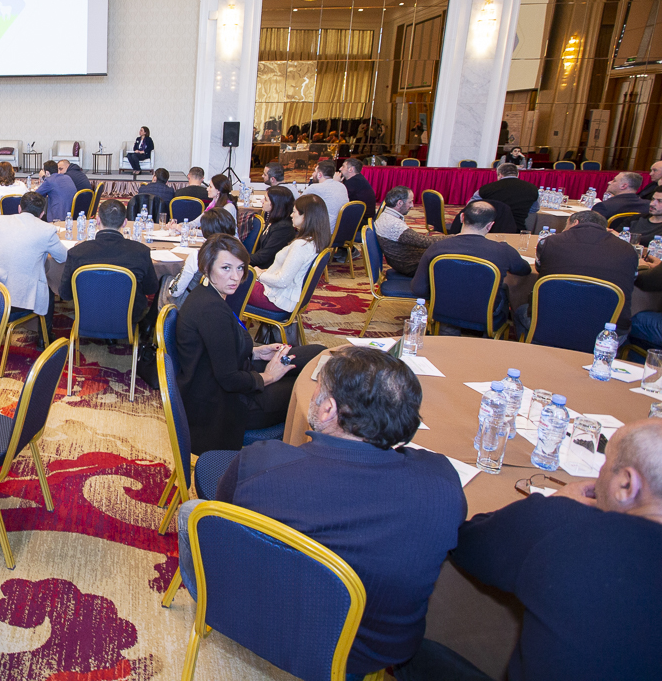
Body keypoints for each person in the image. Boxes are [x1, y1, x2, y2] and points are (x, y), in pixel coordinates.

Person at [179, 346, 465, 678]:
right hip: (363, 653)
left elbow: (225, 521)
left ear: (328, 409)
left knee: (193, 512)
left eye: (319, 389)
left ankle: (207, 600)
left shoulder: (260, 463)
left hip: (243, 615)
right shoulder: (442, 486)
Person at [398, 419, 662, 681]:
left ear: (626, 484)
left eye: (605, 465)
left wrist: (551, 507)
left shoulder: (568, 525)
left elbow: (468, 543)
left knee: (408, 650)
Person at [175, 234, 326, 453]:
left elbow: (217, 348)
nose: (235, 277)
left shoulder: (209, 294)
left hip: (226, 375)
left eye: (240, 268)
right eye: (226, 268)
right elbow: (229, 379)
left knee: (318, 354)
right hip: (225, 403)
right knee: (307, 386)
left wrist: (256, 352)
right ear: (207, 268)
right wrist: (269, 376)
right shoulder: (211, 311)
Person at [410, 201, 530, 329]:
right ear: (490, 225)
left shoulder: (437, 248)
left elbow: (418, 289)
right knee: (504, 291)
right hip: (486, 317)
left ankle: (448, 328)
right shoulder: (503, 250)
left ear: (462, 217)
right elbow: (525, 270)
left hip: (442, 313)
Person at [530, 209, 636, 337]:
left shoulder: (549, 242)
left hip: (548, 322)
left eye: (565, 226)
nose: (563, 231)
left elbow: (540, 268)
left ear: (575, 222)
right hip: (608, 331)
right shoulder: (628, 249)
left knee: (520, 312)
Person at [0, 191, 67, 322]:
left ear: (19, 208)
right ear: (42, 214)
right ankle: (44, 334)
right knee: (48, 288)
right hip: (20, 302)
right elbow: (63, 257)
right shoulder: (46, 230)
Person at [59, 200, 157, 321]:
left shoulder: (77, 252)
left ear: (98, 220)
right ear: (125, 222)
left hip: (88, 315)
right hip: (128, 316)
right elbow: (150, 289)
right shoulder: (141, 252)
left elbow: (65, 294)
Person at [247, 193, 331, 315]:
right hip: (284, 295)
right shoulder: (315, 241)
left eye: (294, 212)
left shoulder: (301, 246)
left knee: (227, 283)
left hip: (275, 298)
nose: (291, 215)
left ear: (305, 216)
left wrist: (259, 274)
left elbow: (282, 281)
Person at [169, 208, 239, 300]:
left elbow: (176, 291)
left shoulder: (199, 255)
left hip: (193, 303)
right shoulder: (239, 253)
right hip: (225, 303)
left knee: (166, 279)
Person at [375, 186, 441, 277]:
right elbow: (425, 241)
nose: (412, 205)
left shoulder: (385, 216)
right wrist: (454, 237)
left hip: (405, 261)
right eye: (410, 202)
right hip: (412, 266)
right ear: (399, 203)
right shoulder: (394, 224)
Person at [473, 162, 539, 230]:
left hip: (490, 230)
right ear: (517, 174)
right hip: (517, 229)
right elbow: (534, 209)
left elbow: (472, 206)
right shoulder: (532, 189)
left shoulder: (486, 189)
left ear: (500, 175)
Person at [250, 186, 299, 268]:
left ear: (276, 204)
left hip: (267, 269)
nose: (262, 201)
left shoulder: (283, 227)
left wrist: (239, 259)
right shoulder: (274, 221)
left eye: (266, 199)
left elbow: (264, 257)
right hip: (261, 264)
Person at [304, 160, 349, 231]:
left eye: (315, 171)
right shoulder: (342, 186)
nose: (313, 173)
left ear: (319, 175)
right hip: (341, 230)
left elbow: (298, 204)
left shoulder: (315, 187)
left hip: (323, 231)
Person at [339, 157, 377, 223]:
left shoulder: (354, 182)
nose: (340, 169)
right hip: (363, 217)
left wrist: (336, 183)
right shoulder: (357, 179)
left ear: (351, 169)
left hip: (361, 221)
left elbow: (339, 198)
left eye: (343, 166)